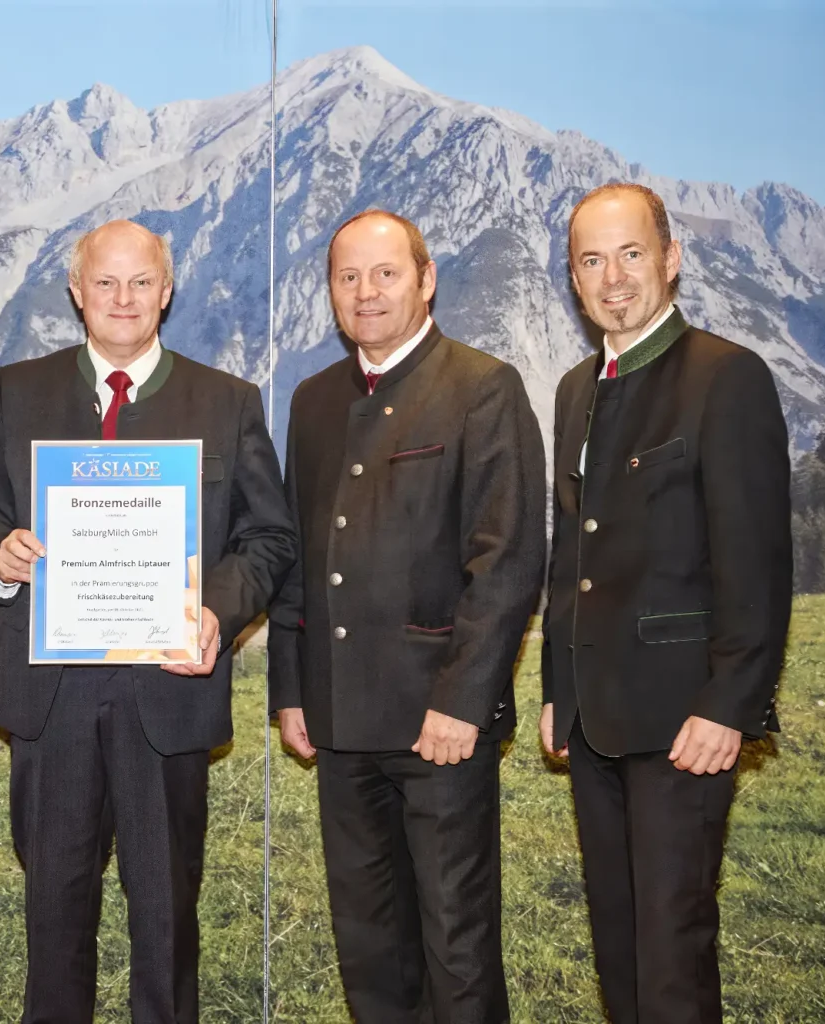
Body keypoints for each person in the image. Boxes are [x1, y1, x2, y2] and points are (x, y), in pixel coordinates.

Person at [0, 219, 295, 1023]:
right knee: (54, 915)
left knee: (167, 916)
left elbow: (270, 538)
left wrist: (217, 606)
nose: (122, 299)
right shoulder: (18, 388)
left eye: (140, 282)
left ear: (166, 292)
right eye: (104, 282)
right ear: (76, 291)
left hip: (167, 694)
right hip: (52, 696)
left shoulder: (228, 402)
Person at [268, 210, 546, 1023]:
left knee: (456, 946)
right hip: (339, 720)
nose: (366, 292)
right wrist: (291, 689)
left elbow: (508, 560)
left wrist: (463, 702)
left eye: (385, 273)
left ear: (426, 280)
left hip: (439, 723)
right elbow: (297, 556)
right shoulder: (314, 400)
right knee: (368, 944)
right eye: (347, 277)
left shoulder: (482, 386)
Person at [541, 182, 792, 1024]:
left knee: (673, 951)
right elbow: (570, 552)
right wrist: (556, 688)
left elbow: (756, 563)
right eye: (592, 260)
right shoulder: (576, 387)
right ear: (574, 280)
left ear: (671, 259)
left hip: (686, 721)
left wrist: (731, 704)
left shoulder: (728, 377)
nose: (613, 278)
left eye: (631, 254)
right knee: (618, 943)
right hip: (593, 718)